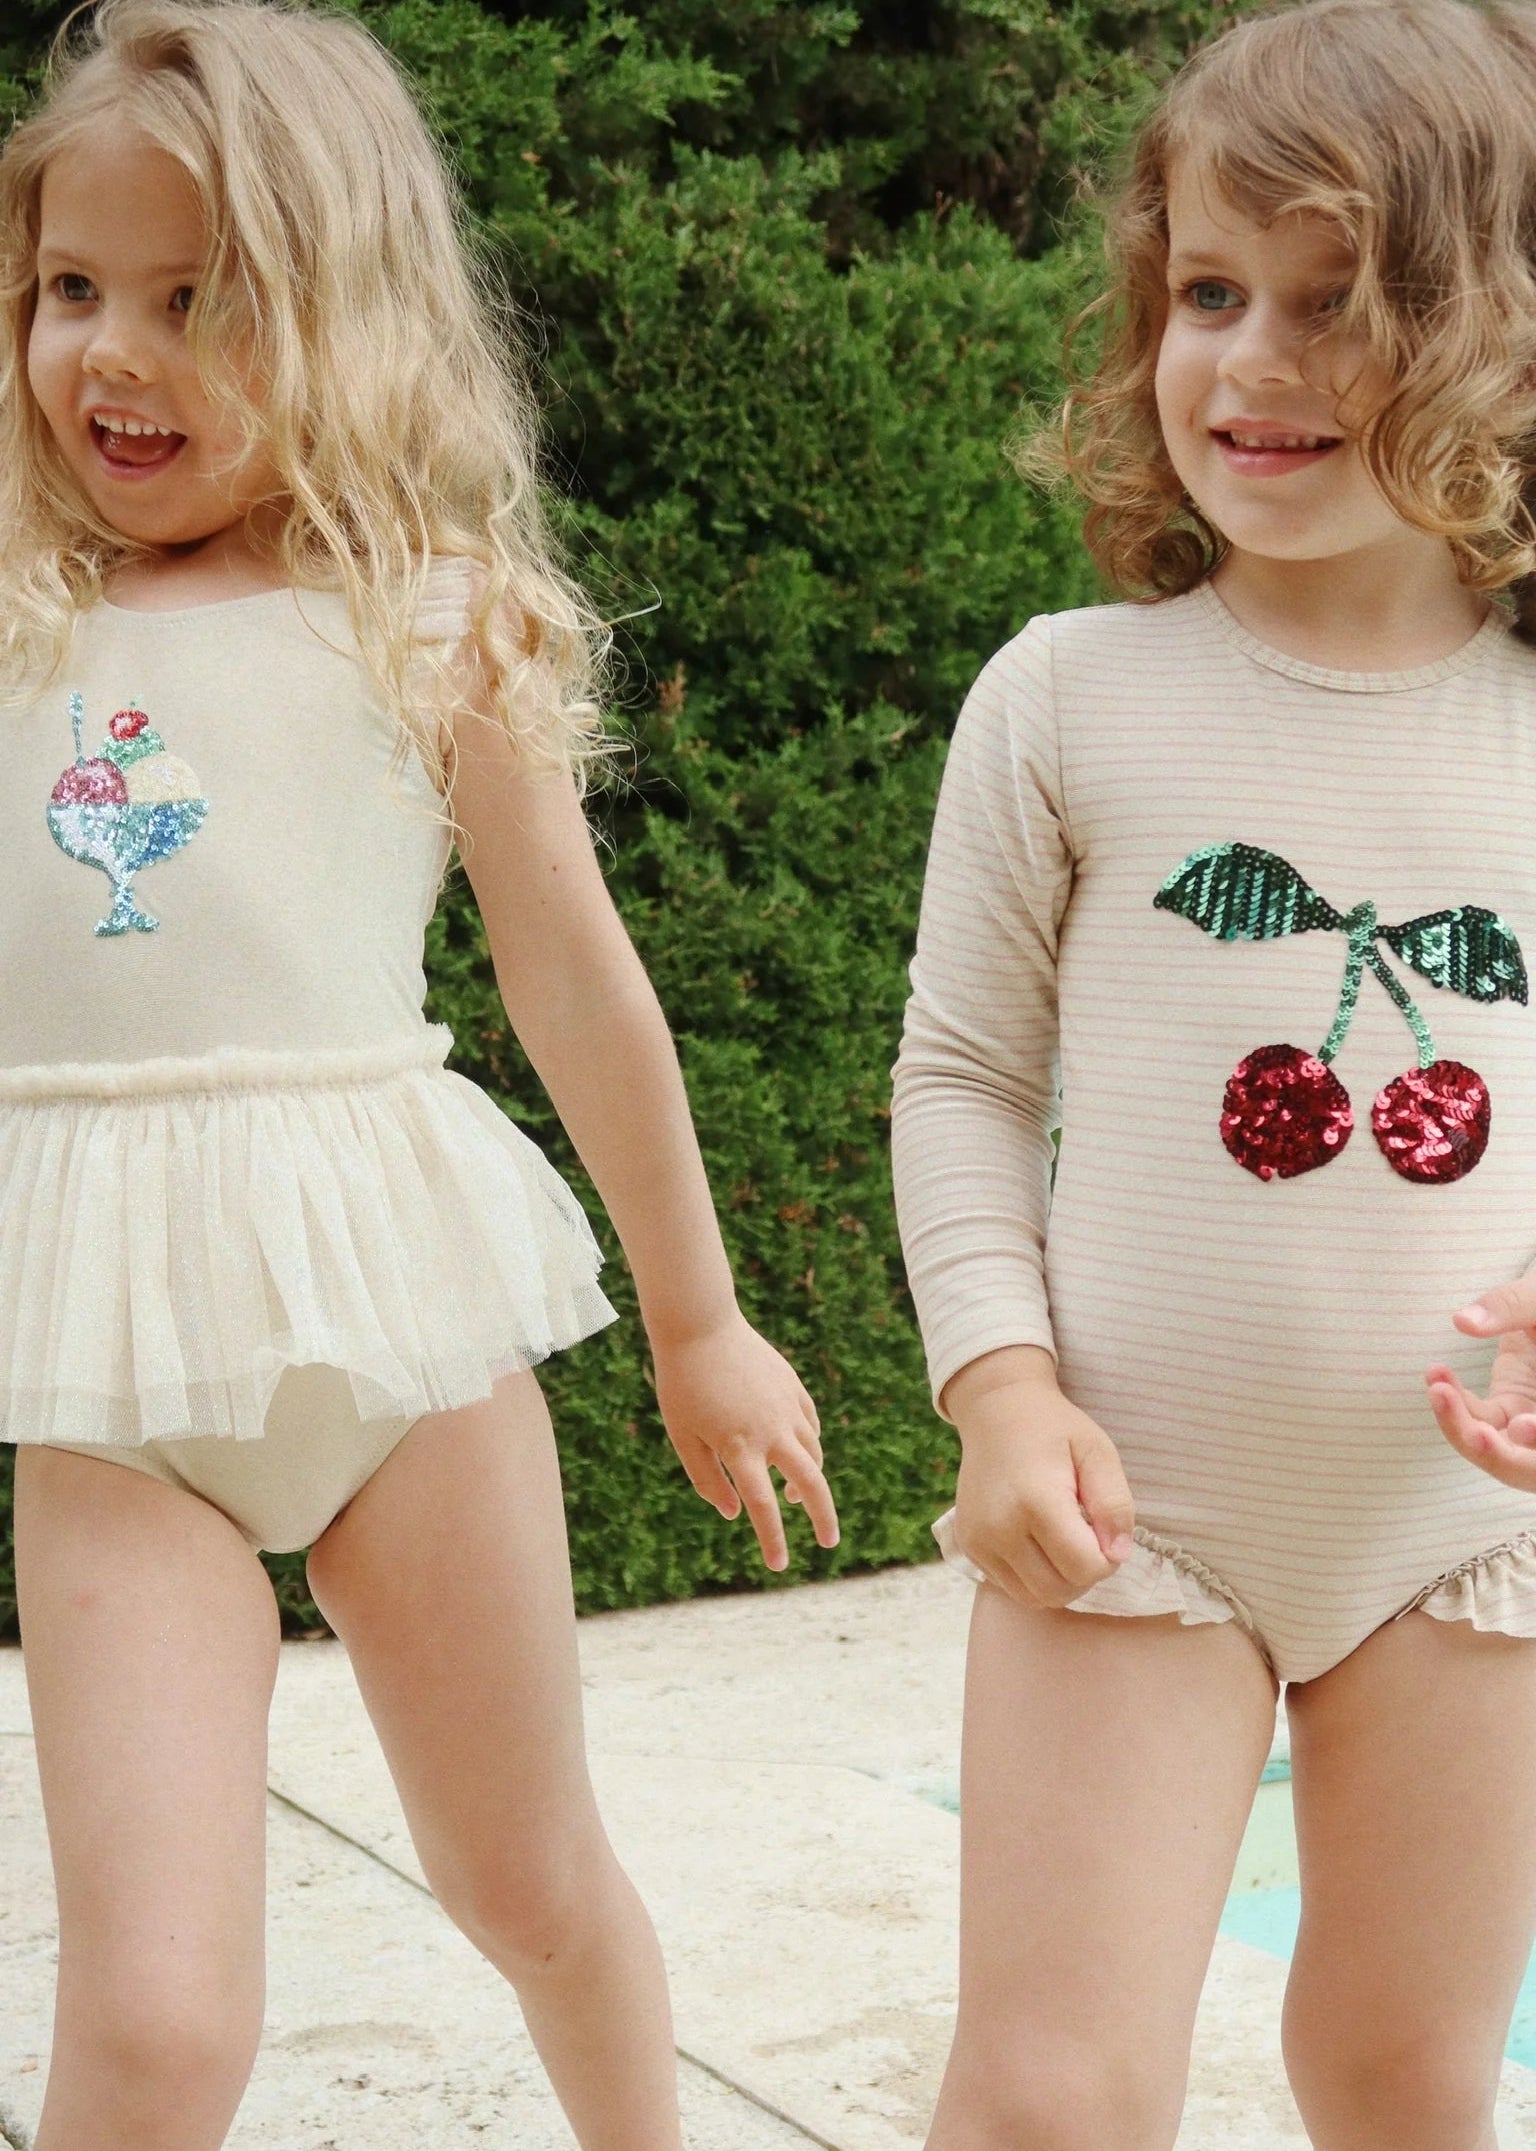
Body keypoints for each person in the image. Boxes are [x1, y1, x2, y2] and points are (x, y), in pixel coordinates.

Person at [0, 3, 839, 2147]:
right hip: (113, 1393)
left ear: (343, 318)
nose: (113, 349)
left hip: (399, 1337)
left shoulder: (431, 617)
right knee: (160, 2019)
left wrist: (704, 1317)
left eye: (195, 303)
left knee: (531, 1883)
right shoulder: (15, 624)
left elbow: (574, 980)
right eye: (69, 287)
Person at [890, 2, 1536, 2144]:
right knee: (1049, 2093)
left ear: (1498, 337)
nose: (1246, 361)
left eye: (1334, 305)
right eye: (1204, 292)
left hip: (1467, 1532)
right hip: (1129, 1509)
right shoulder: (1070, 700)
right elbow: (967, 1071)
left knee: (1406, 2078)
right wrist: (999, 1382)